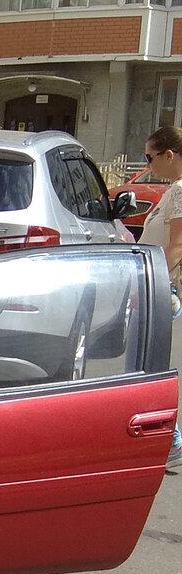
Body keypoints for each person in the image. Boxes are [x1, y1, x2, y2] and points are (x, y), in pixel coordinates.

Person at [139, 126, 182, 470]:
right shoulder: (174, 190)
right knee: (149, 361)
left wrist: (155, 283)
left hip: (162, 288)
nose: (148, 165)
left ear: (169, 155)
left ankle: (172, 439)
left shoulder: (180, 190)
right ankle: (169, 438)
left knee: (149, 363)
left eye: (150, 157)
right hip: (161, 286)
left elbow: (177, 245)